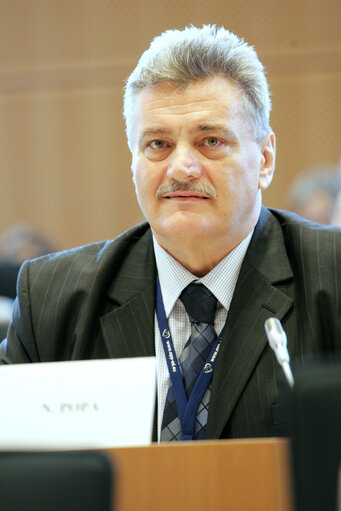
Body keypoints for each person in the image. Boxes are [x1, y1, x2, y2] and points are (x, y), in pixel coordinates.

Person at [1, 25, 341, 442]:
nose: (181, 168)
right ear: (134, 164)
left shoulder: (332, 276)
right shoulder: (52, 299)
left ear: (265, 159)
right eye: (158, 144)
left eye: (210, 140)